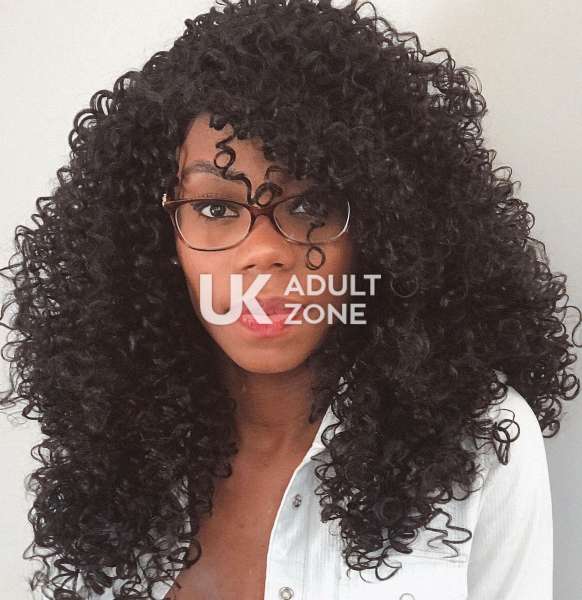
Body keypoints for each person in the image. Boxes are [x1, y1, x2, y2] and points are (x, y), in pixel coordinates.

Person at [0, 0, 579, 598]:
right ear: (158, 237)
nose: (264, 252)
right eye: (215, 208)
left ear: (381, 228)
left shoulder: (479, 440)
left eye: (309, 206)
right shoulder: (116, 446)